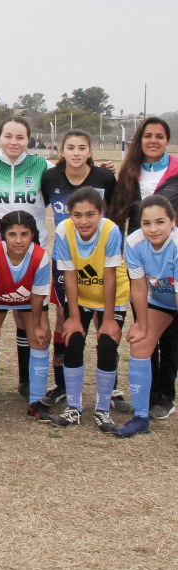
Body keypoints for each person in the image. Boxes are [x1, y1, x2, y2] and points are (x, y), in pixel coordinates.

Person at [40, 129, 118, 409]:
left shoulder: (105, 177)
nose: (75, 152)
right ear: (62, 152)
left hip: (98, 258)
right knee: (64, 318)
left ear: (90, 151)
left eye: (82, 147)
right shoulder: (50, 177)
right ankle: (61, 384)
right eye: (70, 147)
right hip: (65, 257)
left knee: (102, 319)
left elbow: (115, 213)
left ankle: (112, 384)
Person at [0, 116, 52, 398]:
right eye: (8, 136)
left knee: (26, 318)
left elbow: (73, 174)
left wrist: (98, 168)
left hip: (31, 254)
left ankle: (27, 380)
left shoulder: (42, 166)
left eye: (20, 137)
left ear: (29, 140)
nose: (14, 142)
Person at [110, 116, 178, 420]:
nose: (153, 141)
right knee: (144, 327)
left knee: (172, 336)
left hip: (171, 261)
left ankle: (166, 394)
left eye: (159, 136)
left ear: (167, 140)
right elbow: (116, 215)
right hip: (140, 262)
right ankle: (149, 394)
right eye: (148, 135)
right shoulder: (129, 172)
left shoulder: (177, 172)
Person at [49, 187, 129, 431]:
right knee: (72, 339)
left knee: (107, 343)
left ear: (101, 213)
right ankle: (74, 407)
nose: (83, 221)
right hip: (81, 295)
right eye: (77, 214)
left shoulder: (111, 230)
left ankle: (103, 410)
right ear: (70, 215)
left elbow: (110, 275)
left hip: (112, 295)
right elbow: (69, 275)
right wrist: (73, 317)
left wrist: (107, 319)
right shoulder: (64, 230)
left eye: (90, 214)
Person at [0, 211, 53, 421]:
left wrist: (37, 326)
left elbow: (36, 296)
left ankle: (36, 401)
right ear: (3, 235)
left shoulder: (41, 257)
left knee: (40, 339)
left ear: (32, 234)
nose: (18, 240)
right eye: (12, 234)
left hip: (28, 299)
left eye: (24, 234)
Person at [117, 196, 178, 436]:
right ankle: (141, 417)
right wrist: (142, 325)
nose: (153, 229)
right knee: (140, 344)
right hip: (161, 301)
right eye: (146, 223)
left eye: (160, 222)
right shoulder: (134, 242)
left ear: (173, 222)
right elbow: (140, 287)